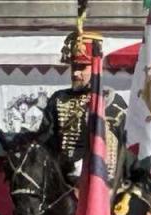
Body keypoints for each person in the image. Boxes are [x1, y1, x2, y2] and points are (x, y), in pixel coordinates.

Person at [37, 27, 128, 189]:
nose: (75, 73)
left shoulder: (115, 103)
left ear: (96, 67)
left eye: (82, 67)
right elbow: (46, 143)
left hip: (107, 186)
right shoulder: (58, 100)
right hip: (66, 185)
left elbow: (127, 147)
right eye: (74, 67)